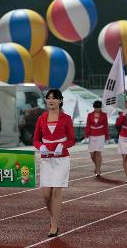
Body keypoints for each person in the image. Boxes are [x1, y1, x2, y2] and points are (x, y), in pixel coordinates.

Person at [33, 89, 75, 237]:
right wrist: (41, 146)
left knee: (56, 192)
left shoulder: (66, 118)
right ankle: (54, 218)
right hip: (46, 160)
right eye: (48, 98)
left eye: (54, 98)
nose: (51, 100)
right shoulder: (41, 118)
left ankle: (54, 226)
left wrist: (62, 146)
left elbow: (72, 140)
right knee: (46, 195)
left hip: (61, 159)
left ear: (60, 101)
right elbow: (36, 140)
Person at [84, 100, 109, 178]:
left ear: (100, 108)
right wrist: (86, 136)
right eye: (95, 107)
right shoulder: (90, 115)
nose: (97, 109)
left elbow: (106, 126)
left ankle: (98, 170)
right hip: (92, 135)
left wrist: (107, 137)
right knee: (92, 154)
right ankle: (96, 165)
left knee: (98, 153)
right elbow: (88, 125)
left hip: (100, 136)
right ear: (93, 107)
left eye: (98, 108)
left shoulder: (104, 115)